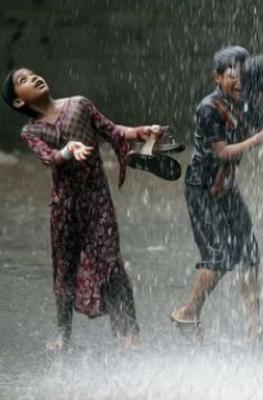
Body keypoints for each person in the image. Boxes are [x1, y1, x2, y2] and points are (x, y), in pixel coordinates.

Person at [0, 68, 160, 350]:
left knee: (111, 262)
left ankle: (129, 331)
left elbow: (111, 130)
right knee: (64, 268)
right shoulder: (31, 130)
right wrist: (68, 150)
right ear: (17, 102)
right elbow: (49, 157)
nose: (34, 77)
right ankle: (63, 332)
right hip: (65, 207)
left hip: (97, 199)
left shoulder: (79, 104)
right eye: (23, 80)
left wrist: (137, 132)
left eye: (33, 73)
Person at [170, 47, 263, 341]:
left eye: (243, 73)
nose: (239, 80)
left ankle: (254, 328)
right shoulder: (209, 109)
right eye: (232, 75)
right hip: (202, 189)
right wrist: (256, 138)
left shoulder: (244, 103)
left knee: (248, 252)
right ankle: (187, 312)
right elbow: (222, 151)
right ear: (217, 77)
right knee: (218, 256)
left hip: (227, 187)